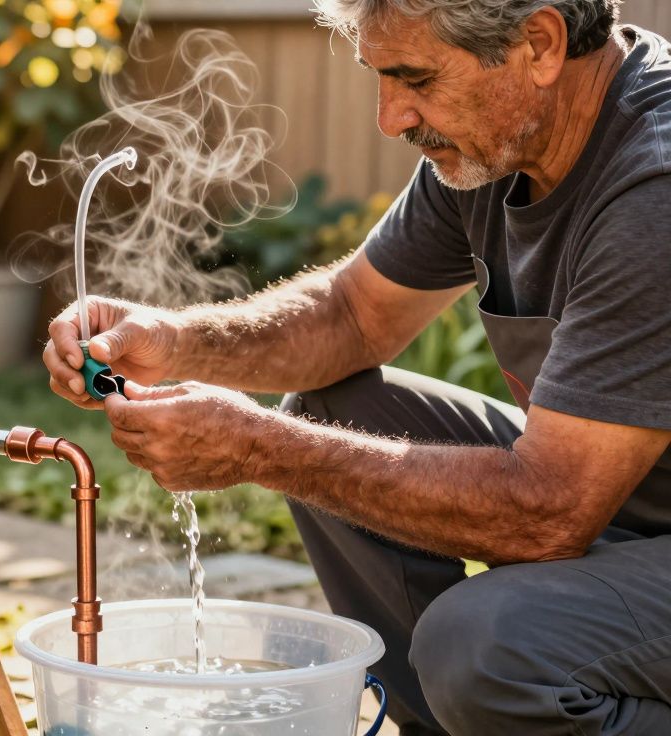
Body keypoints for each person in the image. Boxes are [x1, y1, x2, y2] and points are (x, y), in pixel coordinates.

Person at [43, 1, 671, 733]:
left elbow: (551, 512)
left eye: (417, 79)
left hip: (600, 510)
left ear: (539, 43)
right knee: (330, 410)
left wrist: (258, 448)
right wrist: (170, 339)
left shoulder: (653, 188)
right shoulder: (502, 142)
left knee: (482, 643)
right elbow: (351, 315)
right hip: (614, 499)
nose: (390, 118)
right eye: (381, 78)